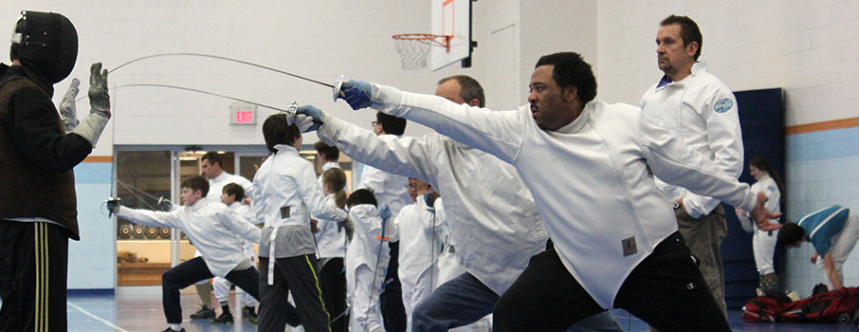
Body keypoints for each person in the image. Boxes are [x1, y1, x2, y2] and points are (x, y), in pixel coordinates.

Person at [318, 51, 779, 331]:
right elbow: (438, 113)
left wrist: (745, 198)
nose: (531, 97)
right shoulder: (517, 130)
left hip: (651, 259)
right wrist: (377, 95)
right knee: (515, 317)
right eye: (529, 89)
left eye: (540, 88)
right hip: (574, 267)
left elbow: (689, 167)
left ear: (572, 93)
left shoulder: (626, 122)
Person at [290, 75, 620, 331]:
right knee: (426, 317)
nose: (436, 114)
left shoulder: (512, 136)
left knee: (598, 326)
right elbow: (377, 149)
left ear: (472, 106)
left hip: (537, 273)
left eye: (445, 105)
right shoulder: (435, 150)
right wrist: (327, 125)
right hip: (483, 276)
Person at [0, 10, 111, 331]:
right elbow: (56, 156)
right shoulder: (25, 93)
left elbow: (35, 152)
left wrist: (66, 124)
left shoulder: (6, 89)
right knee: (41, 322)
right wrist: (98, 115)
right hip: (35, 224)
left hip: (15, 225)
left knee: (17, 317)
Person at [641, 14, 744, 318]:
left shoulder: (713, 91)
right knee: (658, 298)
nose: (660, 48)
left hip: (696, 216)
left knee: (702, 299)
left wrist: (696, 205)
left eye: (669, 42)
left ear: (691, 48)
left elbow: (729, 159)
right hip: (656, 214)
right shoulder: (650, 98)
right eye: (658, 42)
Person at [107, 176, 262, 332]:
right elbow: (152, 218)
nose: (182, 195)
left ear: (198, 193)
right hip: (209, 262)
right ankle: (175, 327)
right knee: (170, 279)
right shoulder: (182, 214)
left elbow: (247, 229)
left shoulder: (218, 210)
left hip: (233, 264)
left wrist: (273, 242)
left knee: (268, 299)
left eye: (185, 192)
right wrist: (120, 210)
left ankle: (287, 319)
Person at [253, 113, 349, 332]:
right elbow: (319, 207)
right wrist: (344, 215)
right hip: (295, 241)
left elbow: (258, 214)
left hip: (268, 242)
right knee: (312, 306)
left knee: (270, 309)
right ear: (294, 135)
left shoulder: (263, 169)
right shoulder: (300, 165)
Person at [190, 151, 257, 320]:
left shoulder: (237, 182)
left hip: (234, 240)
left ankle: (249, 307)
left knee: (242, 274)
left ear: (216, 165)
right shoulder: (205, 188)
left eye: (205, 166)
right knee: (197, 272)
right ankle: (207, 307)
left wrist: (253, 203)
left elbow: (258, 195)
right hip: (209, 239)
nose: (203, 171)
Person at [358, 113, 409, 332]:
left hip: (386, 232)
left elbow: (371, 191)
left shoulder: (381, 148)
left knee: (387, 288)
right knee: (397, 287)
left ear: (380, 127)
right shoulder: (407, 147)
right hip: (404, 228)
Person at [395, 179, 444, 329]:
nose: (412, 190)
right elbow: (392, 235)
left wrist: (423, 196)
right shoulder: (405, 211)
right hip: (406, 271)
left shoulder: (435, 210)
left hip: (426, 269)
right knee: (410, 315)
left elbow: (429, 225)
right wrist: (383, 222)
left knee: (421, 314)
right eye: (410, 186)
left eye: (417, 186)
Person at [775, 206, 859, 291]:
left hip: (849, 222)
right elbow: (822, 231)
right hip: (836, 223)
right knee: (820, 262)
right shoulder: (798, 226)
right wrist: (817, 252)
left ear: (795, 240)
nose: (791, 248)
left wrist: (840, 294)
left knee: (835, 263)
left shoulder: (817, 236)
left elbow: (831, 270)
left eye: (790, 245)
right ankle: (833, 293)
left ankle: (839, 296)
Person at [212, 183, 261, 324]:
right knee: (219, 280)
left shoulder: (244, 210)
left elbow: (258, 218)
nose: (221, 197)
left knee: (249, 282)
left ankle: (252, 311)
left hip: (245, 252)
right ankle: (226, 312)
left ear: (232, 196)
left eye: (224, 193)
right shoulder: (221, 211)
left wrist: (252, 203)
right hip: (228, 253)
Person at [344, 189, 393, 332]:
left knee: (366, 317)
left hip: (365, 273)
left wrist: (366, 207)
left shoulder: (371, 223)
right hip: (366, 274)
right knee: (364, 319)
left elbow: (355, 212)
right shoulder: (374, 225)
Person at [735, 156, 784, 293]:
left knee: (767, 264)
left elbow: (768, 208)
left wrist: (748, 213)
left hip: (768, 227)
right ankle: (764, 298)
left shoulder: (770, 185)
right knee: (761, 266)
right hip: (757, 228)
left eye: (753, 170)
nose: (751, 173)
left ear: (762, 168)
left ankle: (771, 298)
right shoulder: (755, 186)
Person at [314, 160, 351, 332]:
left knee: (327, 306)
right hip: (341, 259)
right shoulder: (344, 205)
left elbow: (317, 232)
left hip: (326, 259)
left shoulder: (326, 207)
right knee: (339, 305)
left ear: (326, 186)